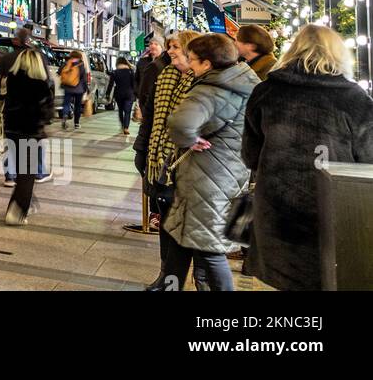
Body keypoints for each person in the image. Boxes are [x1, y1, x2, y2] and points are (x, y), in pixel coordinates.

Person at [243, 24, 373, 291]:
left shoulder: (267, 91)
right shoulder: (355, 98)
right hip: (335, 213)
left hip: (276, 215)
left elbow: (250, 156)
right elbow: (367, 161)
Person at [156, 32, 257, 291]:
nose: (189, 64)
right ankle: (169, 285)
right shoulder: (246, 81)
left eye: (192, 59)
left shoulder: (210, 89)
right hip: (232, 172)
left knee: (210, 250)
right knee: (183, 239)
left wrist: (189, 139)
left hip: (207, 176)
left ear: (207, 63)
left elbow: (179, 123)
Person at [133, 31, 198, 277]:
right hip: (159, 160)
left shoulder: (200, 81)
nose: (170, 52)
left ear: (191, 52)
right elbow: (149, 118)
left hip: (185, 163)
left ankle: (173, 277)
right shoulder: (164, 77)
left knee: (179, 223)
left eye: (176, 48)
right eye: (169, 47)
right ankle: (165, 273)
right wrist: (141, 148)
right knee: (165, 217)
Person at [0, 45, 56, 225]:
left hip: (11, 130)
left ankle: (26, 203)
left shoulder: (11, 80)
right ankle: (17, 210)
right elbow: (47, 111)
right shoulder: (41, 84)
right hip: (30, 131)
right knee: (27, 173)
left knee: (22, 169)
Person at [107, 57, 137, 136]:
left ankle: (122, 126)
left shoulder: (115, 72)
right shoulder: (130, 71)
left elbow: (111, 84)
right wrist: (136, 94)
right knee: (127, 112)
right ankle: (126, 128)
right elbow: (134, 84)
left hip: (119, 94)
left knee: (120, 110)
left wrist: (107, 94)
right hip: (129, 94)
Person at [58, 50, 87, 130]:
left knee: (66, 104)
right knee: (77, 106)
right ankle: (76, 123)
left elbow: (59, 71)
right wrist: (85, 89)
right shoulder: (81, 64)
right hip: (79, 88)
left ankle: (64, 115)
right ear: (79, 57)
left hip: (67, 87)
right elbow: (84, 78)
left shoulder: (67, 62)